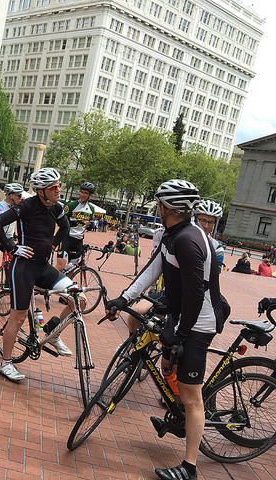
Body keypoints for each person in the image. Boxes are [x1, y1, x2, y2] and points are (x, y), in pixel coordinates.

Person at [106, 179, 227, 480]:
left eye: (159, 204)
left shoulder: (188, 240)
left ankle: (189, 468)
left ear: (168, 208)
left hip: (199, 321)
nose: (157, 208)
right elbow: (153, 269)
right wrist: (125, 297)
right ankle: (176, 420)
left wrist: (182, 334)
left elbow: (197, 293)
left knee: (191, 395)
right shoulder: (173, 234)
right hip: (183, 313)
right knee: (166, 363)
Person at [0, 167, 80, 382]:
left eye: (59, 185)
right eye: (53, 187)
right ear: (41, 191)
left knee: (79, 299)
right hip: (23, 268)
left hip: (43, 266)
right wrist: (12, 247)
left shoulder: (57, 207)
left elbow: (65, 228)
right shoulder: (26, 206)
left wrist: (53, 246)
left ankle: (53, 331)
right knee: (18, 317)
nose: (58, 190)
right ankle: (6, 363)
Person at [56, 181, 95, 272]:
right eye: (82, 192)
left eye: (85, 193)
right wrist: (79, 222)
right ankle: (47, 284)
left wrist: (90, 225)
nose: (82, 195)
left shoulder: (91, 209)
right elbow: (63, 221)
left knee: (71, 269)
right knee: (61, 266)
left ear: (90, 195)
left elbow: (89, 226)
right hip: (67, 238)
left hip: (78, 241)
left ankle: (66, 286)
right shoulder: (71, 205)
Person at [193, 199, 225, 271]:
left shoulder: (217, 248)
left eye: (210, 222)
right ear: (195, 219)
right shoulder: (181, 239)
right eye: (203, 221)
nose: (206, 226)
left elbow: (213, 277)